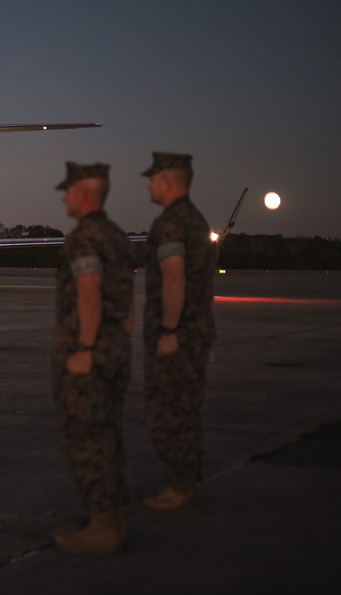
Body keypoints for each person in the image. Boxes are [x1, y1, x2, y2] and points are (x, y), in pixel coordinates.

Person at [51, 162, 135, 556]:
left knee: (89, 439)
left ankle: (103, 528)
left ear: (84, 194)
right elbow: (128, 300)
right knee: (110, 435)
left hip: (92, 353)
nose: (64, 196)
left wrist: (85, 349)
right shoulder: (116, 235)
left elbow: (88, 291)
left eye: (68, 190)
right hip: (116, 348)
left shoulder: (85, 237)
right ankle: (113, 520)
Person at [140, 152, 217, 514]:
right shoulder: (195, 219)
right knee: (186, 408)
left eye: (152, 178)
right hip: (197, 330)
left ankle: (180, 488)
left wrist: (169, 330)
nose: (148, 184)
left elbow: (174, 277)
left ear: (168, 181)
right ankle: (186, 484)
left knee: (170, 410)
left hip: (179, 333)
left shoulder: (172, 223)